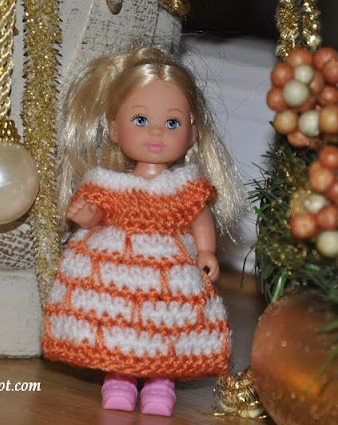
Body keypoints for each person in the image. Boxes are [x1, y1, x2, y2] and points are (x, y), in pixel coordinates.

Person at [42, 45, 245, 416]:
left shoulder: (185, 187)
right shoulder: (107, 184)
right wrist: (87, 216)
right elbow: (95, 216)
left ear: (192, 133)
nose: (156, 132)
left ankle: (160, 385)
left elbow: (200, 219)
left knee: (164, 326)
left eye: (172, 123)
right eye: (139, 120)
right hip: (115, 269)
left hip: (170, 272)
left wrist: (205, 251)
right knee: (119, 325)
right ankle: (118, 380)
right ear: (113, 129)